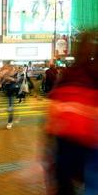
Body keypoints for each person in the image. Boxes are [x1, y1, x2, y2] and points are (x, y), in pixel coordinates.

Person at [44, 32, 98, 195]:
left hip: (65, 135)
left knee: (64, 177)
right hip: (90, 137)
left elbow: (54, 107)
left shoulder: (68, 74)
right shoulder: (94, 73)